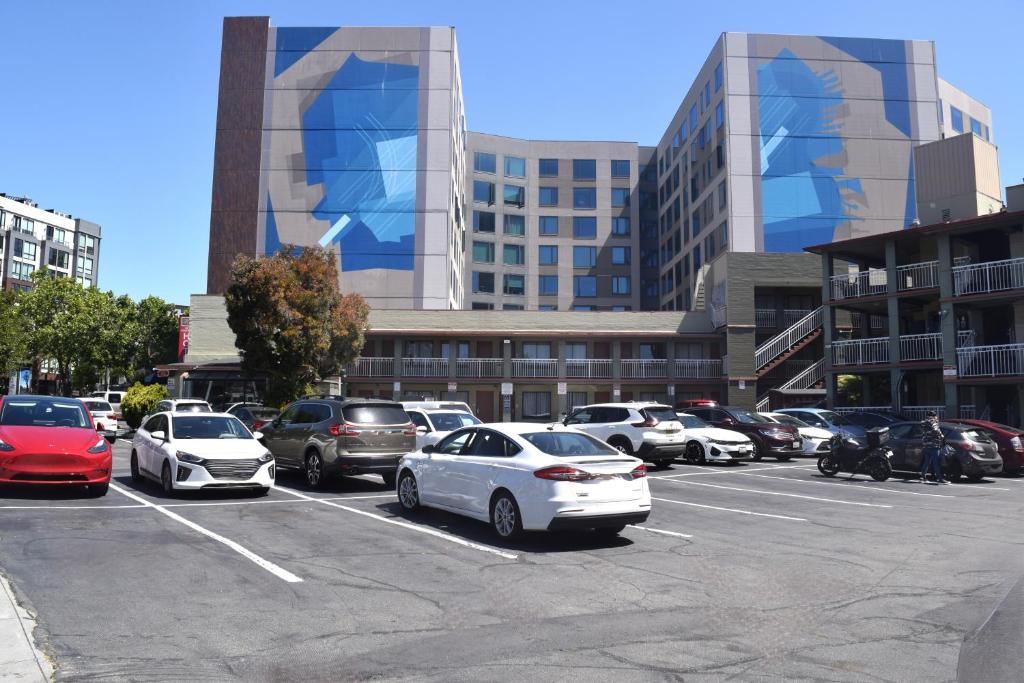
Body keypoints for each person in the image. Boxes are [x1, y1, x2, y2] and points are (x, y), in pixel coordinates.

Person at [920, 410, 946, 484]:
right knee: (936, 462)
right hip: (934, 445)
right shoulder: (933, 422)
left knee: (927, 462)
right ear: (934, 416)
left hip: (926, 444)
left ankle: (923, 477)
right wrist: (942, 436)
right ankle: (940, 478)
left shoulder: (923, 423)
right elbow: (936, 430)